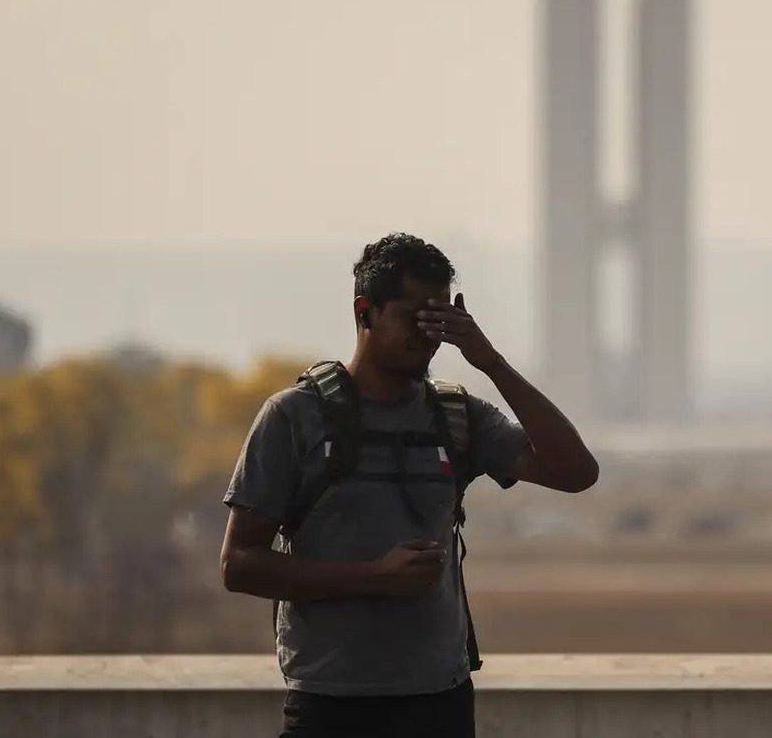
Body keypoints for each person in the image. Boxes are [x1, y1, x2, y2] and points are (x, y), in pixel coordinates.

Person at [219, 233, 600, 738]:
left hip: (438, 701)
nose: (427, 334)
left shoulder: (457, 416)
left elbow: (576, 472)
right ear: (365, 312)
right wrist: (374, 576)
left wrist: (490, 361)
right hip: (331, 703)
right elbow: (239, 564)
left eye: (438, 318)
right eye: (412, 316)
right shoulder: (295, 418)